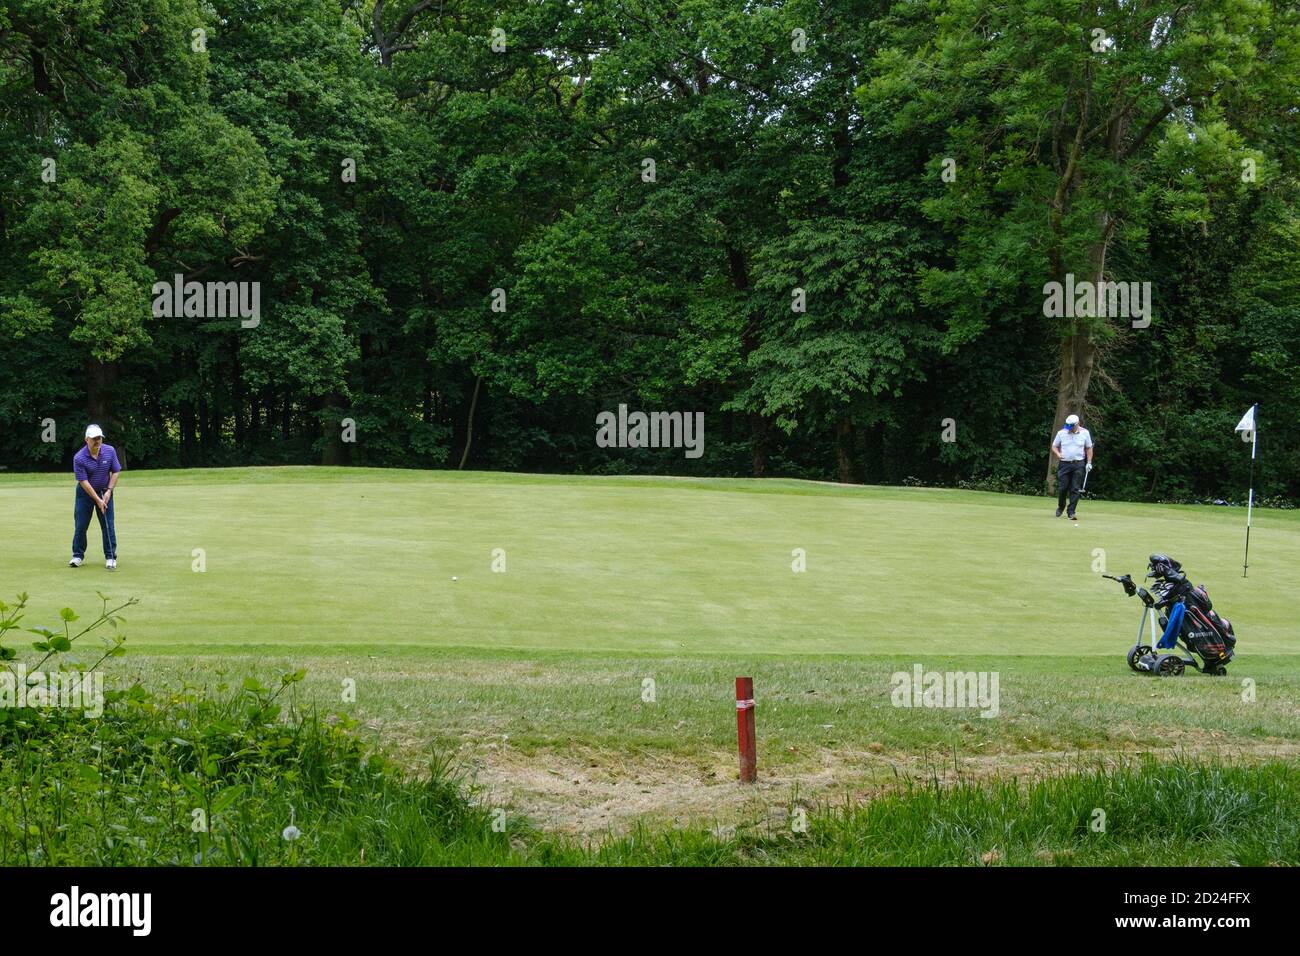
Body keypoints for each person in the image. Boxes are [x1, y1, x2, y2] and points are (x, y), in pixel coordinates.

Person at [69, 424, 122, 570]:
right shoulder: (79, 458)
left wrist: (108, 492)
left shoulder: (109, 451)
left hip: (105, 492)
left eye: (99, 438)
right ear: (87, 439)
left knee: (107, 525)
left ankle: (111, 557)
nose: (97, 441)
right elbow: (83, 482)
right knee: (81, 524)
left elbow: (116, 471)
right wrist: (97, 500)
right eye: (94, 439)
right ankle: (77, 555)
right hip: (85, 494)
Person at [1050, 413, 1093, 521]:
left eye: (1071, 426)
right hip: (1064, 464)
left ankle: (1071, 512)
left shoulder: (1085, 433)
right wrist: (1058, 454)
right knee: (1063, 488)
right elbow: (1054, 446)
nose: (1068, 428)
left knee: (1075, 489)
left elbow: (1088, 448)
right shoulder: (1061, 433)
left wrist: (1089, 462)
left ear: (1077, 424)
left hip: (1078, 464)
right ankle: (1061, 506)